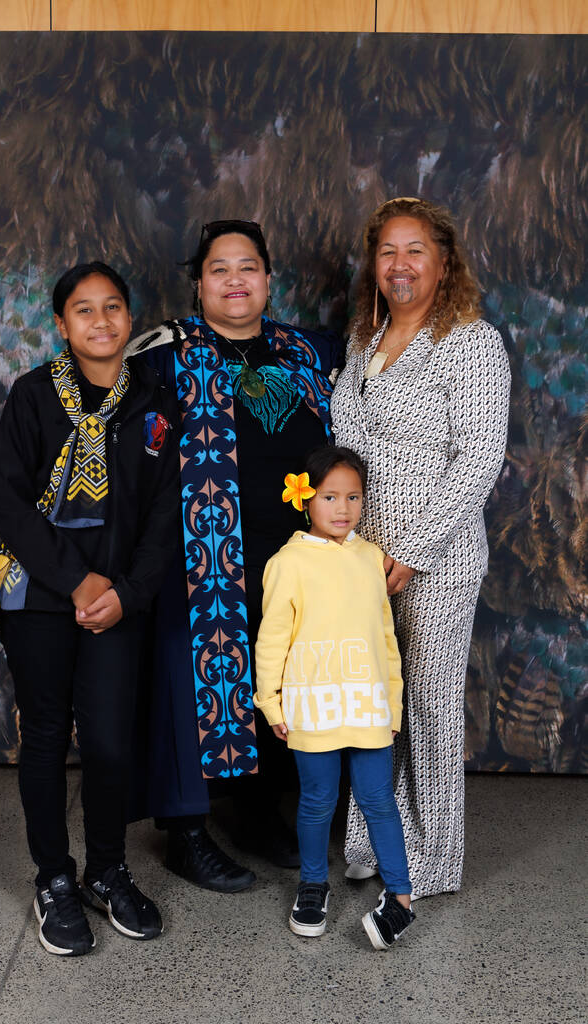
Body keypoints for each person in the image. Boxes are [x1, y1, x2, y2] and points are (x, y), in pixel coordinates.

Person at [125, 220, 343, 892]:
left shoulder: (307, 351)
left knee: (276, 678)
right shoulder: (162, 353)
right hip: (201, 554)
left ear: (268, 279)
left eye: (247, 267)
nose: (235, 280)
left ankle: (253, 809)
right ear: (198, 284)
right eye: (219, 269)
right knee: (189, 686)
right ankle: (185, 834)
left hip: (294, 555)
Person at [0, 262, 179, 955]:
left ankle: (106, 869)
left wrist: (125, 592)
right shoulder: (33, 396)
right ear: (62, 325)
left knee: (107, 740)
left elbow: (164, 515)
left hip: (118, 598)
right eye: (83, 310)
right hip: (40, 595)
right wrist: (77, 583)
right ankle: (54, 880)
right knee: (44, 733)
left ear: (129, 318)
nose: (101, 322)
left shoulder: (155, 403)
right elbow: (5, 502)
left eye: (113, 308)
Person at [331, 197, 511, 899]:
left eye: (414, 252)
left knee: (429, 708)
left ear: (443, 263)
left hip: (433, 558)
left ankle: (432, 858)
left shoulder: (470, 342)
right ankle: (373, 844)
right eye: (386, 252)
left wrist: (409, 550)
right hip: (361, 556)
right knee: (373, 704)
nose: (398, 265)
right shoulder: (362, 338)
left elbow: (478, 459)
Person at [254, 446, 415, 948]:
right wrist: (271, 702)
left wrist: (394, 701)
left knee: (377, 800)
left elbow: (386, 639)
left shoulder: (371, 559)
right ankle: (312, 885)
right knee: (318, 801)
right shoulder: (287, 563)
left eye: (353, 497)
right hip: (313, 706)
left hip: (367, 704)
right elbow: (272, 638)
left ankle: (402, 898)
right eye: (330, 496)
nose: (342, 508)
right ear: (306, 499)